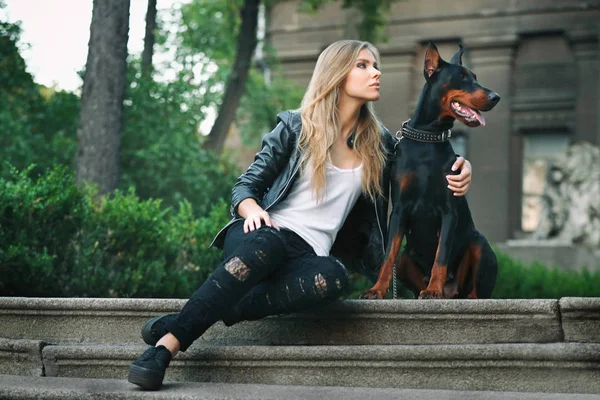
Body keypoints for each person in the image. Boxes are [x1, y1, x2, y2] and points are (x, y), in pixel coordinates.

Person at [127, 39, 473, 391]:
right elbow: (245, 187)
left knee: (336, 278)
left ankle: (192, 316)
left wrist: (463, 167)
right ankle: (162, 350)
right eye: (363, 65)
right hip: (261, 235)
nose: (376, 72)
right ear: (337, 75)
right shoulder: (296, 126)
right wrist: (254, 211)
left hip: (309, 256)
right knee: (269, 244)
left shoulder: (380, 143)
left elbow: (426, 159)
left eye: (375, 65)